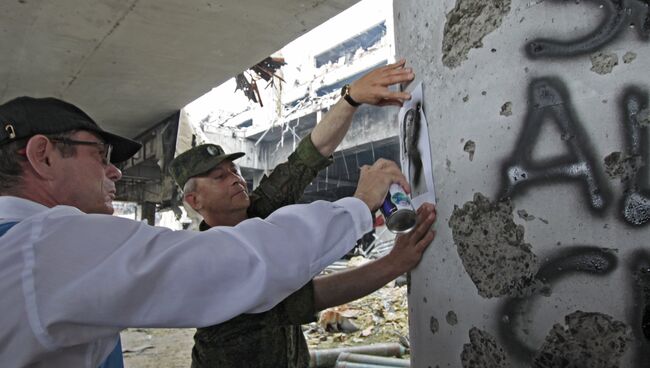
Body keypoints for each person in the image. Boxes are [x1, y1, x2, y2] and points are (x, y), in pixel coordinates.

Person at [0, 96, 409, 368]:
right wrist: (362, 212)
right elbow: (245, 264)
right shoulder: (44, 247)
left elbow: (299, 165)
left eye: (234, 171)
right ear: (43, 156)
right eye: (100, 154)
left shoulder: (21, 248)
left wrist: (351, 99)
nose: (115, 171)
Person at [168, 60, 437, 368]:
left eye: (235, 170)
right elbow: (315, 296)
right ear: (194, 200)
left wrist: (351, 99)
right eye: (219, 177)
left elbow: (307, 158)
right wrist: (393, 261)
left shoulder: (255, 209)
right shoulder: (212, 263)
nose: (235, 179)